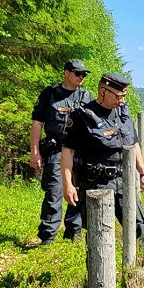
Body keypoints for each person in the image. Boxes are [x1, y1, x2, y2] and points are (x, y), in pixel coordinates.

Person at [61, 73, 144, 243]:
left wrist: (143, 173)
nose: (121, 100)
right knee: (99, 237)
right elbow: (68, 151)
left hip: (123, 181)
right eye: (118, 96)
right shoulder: (82, 116)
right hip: (97, 185)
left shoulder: (122, 113)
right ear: (103, 91)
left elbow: (134, 144)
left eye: (124, 96)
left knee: (140, 231)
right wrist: (68, 185)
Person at [30, 59, 92, 245]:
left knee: (78, 191)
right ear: (66, 72)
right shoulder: (50, 94)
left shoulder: (85, 96)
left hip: (79, 152)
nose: (81, 77)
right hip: (56, 150)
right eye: (78, 73)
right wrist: (35, 152)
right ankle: (48, 236)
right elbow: (36, 124)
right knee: (54, 191)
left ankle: (74, 233)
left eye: (84, 74)